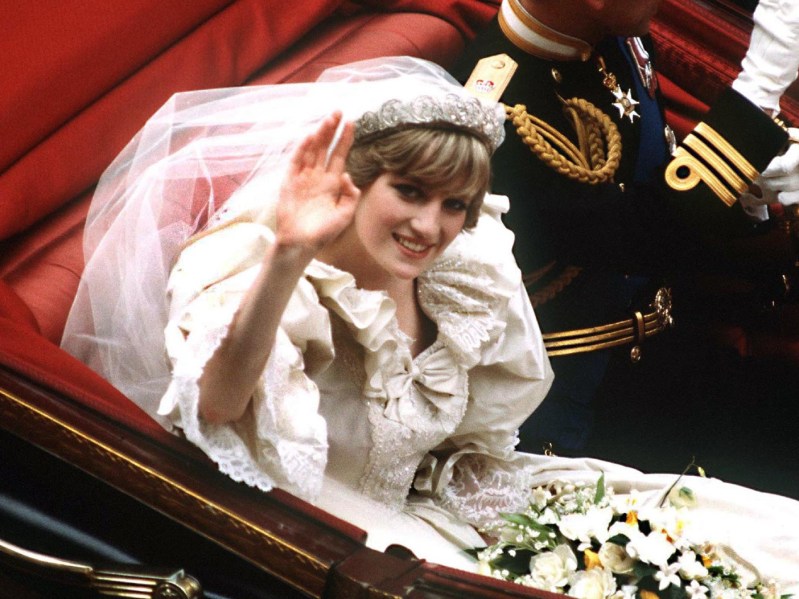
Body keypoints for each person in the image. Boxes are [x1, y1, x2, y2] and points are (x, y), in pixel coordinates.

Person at [62, 57, 799, 588]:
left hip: (441, 499)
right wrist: (288, 255)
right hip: (334, 541)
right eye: (409, 192)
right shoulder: (255, 267)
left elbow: (464, 443)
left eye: (454, 204)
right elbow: (218, 405)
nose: (429, 227)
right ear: (354, 181)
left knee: (740, 540)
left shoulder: (461, 266)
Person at [451, 0, 799, 456]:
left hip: (665, 352)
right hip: (575, 407)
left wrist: (748, 187)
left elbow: (650, 182)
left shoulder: (614, 33)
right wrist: (759, 89)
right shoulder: (494, 115)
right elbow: (639, 236)